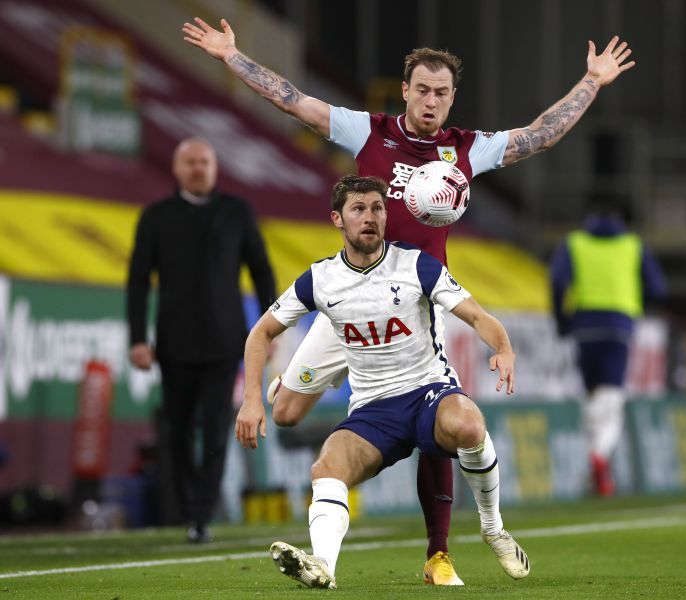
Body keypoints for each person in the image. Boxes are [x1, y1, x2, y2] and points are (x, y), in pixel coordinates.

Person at [183, 17, 634, 584]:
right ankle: (300, 388)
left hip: (415, 307)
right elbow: (294, 101)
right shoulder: (367, 132)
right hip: (352, 303)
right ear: (405, 90)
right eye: (421, 89)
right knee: (287, 412)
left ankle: (439, 553)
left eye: (442, 92)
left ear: (452, 98)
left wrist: (590, 82)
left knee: (440, 421)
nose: (431, 100)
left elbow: (539, 134)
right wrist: (231, 57)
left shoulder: (468, 149)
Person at [236, 175, 529, 589]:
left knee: (468, 424)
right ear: (337, 219)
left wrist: (503, 348)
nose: (369, 218)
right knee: (326, 467)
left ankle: (493, 527)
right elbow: (260, 333)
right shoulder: (320, 279)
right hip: (374, 408)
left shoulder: (415, 265)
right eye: (359, 209)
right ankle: (322, 567)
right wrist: (251, 401)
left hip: (428, 392)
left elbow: (479, 315)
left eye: (377, 208)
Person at [126, 137, 276, 542]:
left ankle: (200, 516)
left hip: (225, 342)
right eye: (190, 162)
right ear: (176, 169)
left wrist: (270, 328)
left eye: (205, 162)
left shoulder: (237, 212)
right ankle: (187, 505)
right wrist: (138, 338)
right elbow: (138, 281)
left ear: (215, 167)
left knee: (214, 431)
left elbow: (262, 271)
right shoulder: (156, 216)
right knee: (175, 430)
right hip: (173, 344)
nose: (198, 168)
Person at [549, 198, 666, 496]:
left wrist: (562, 321)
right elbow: (658, 288)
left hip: (584, 326)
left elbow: (558, 281)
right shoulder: (632, 245)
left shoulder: (574, 243)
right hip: (618, 327)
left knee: (592, 396)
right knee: (611, 398)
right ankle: (599, 457)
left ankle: (595, 470)